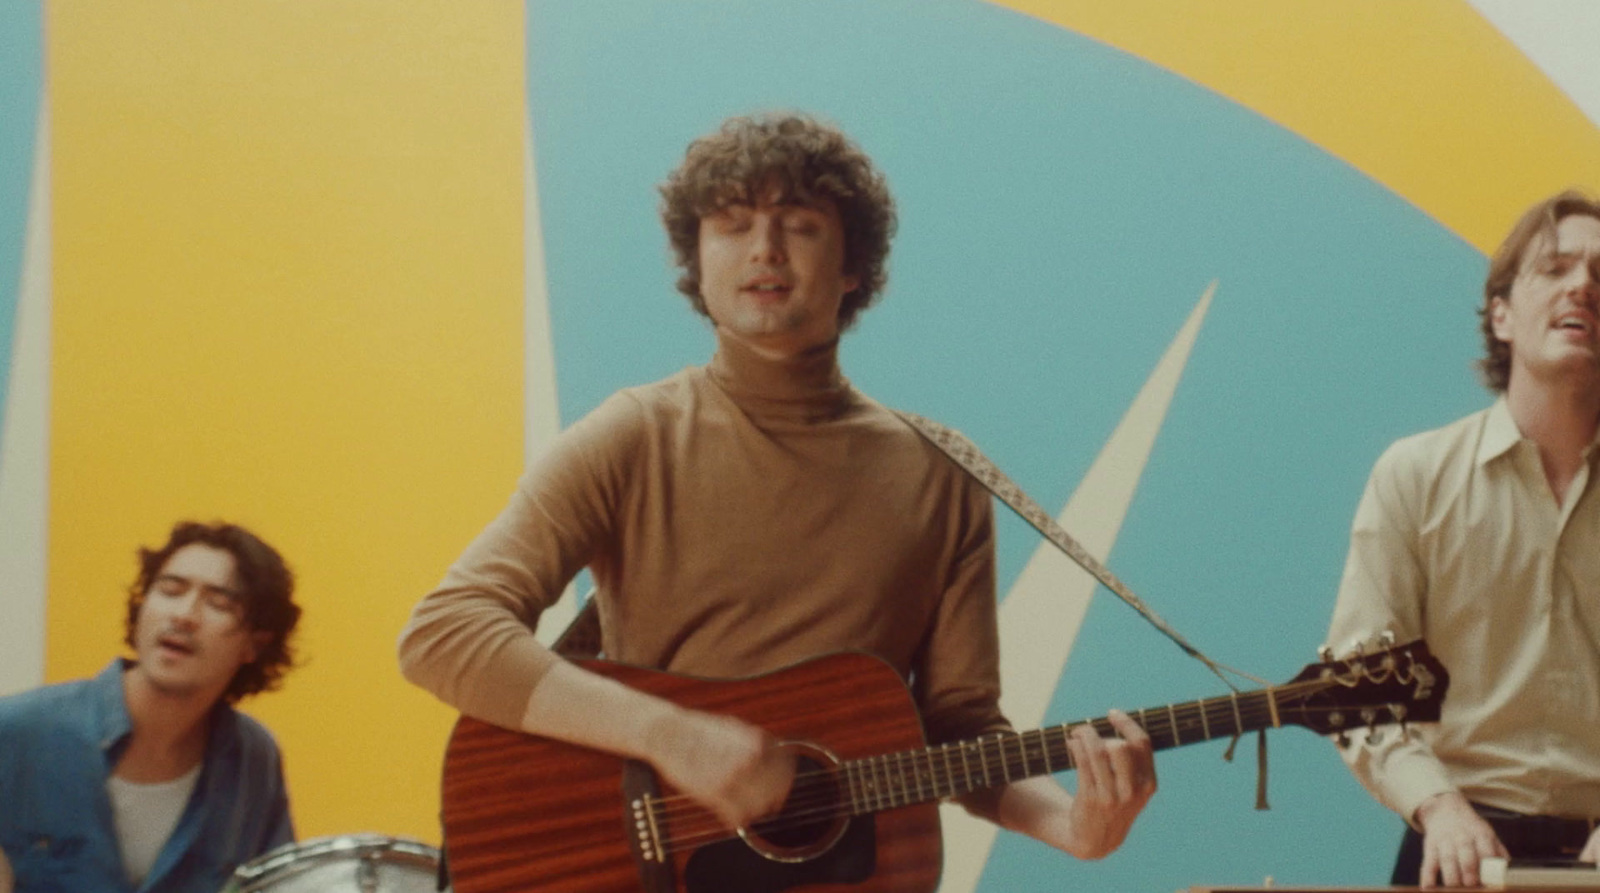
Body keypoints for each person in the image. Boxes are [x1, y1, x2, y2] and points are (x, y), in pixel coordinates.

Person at [398, 113, 1155, 869]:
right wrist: (669, 734)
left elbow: (958, 729)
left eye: (798, 224)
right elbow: (443, 633)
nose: (763, 249)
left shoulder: (943, 476)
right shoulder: (634, 436)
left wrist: (1072, 825)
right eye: (731, 225)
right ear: (697, 261)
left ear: (853, 264)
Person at [1328, 189, 1600, 888]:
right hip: (1454, 848)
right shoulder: (1413, 476)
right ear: (1502, 314)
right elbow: (1354, 691)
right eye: (1557, 267)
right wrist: (1439, 804)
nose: (1584, 286)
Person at [0, 521, 302, 893]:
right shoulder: (18, 732)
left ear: (254, 644)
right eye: (170, 590)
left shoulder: (253, 759)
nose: (184, 615)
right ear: (142, 606)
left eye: (219, 603)